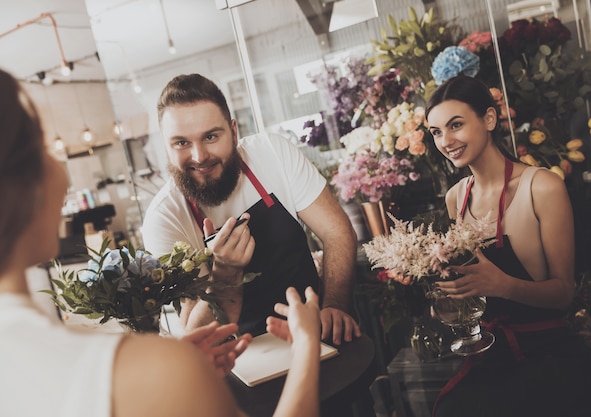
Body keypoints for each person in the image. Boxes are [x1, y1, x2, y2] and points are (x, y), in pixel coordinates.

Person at [0, 67, 322, 417]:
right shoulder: (142, 369)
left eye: (210, 136)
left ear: (232, 130)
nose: (61, 172)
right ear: (24, 184)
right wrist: (307, 347)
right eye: (45, 148)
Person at [142, 73, 361, 344]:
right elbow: (197, 335)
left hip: (316, 334)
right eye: (181, 143)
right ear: (166, 146)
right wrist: (225, 272)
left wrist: (334, 307)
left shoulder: (272, 153)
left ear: (233, 132)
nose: (199, 156)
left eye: (211, 136)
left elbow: (337, 232)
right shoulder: (163, 218)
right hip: (240, 364)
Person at [424, 75, 591, 417]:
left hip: (549, 356)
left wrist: (502, 284)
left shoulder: (542, 187)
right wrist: (451, 299)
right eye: (436, 132)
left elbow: (564, 293)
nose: (446, 140)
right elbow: (477, 289)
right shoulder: (456, 197)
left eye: (456, 125)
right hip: (492, 350)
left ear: (489, 119)